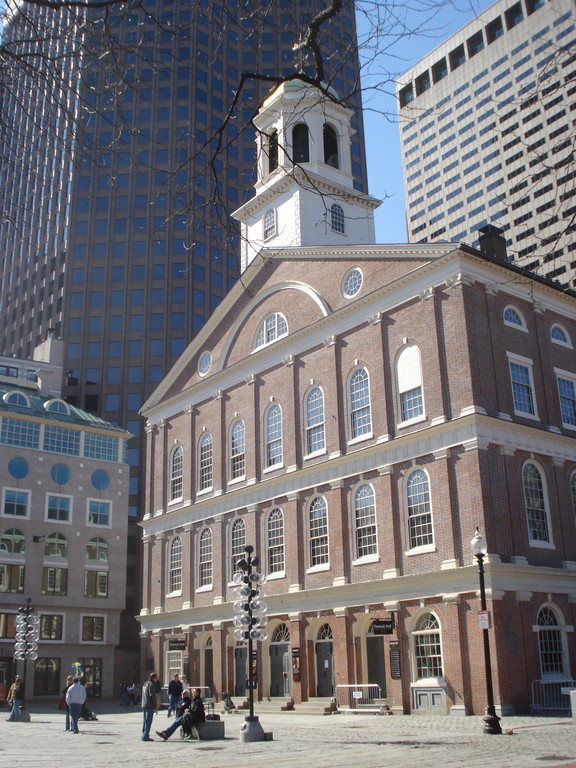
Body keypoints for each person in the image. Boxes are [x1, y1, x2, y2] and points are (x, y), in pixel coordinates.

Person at [141, 672, 158, 741]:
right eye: (156, 678)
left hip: (144, 704)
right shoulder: (151, 685)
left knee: (145, 721)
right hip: (149, 705)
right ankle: (146, 735)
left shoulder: (145, 684)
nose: (156, 680)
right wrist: (155, 704)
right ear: (153, 678)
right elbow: (152, 695)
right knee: (148, 721)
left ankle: (143, 734)